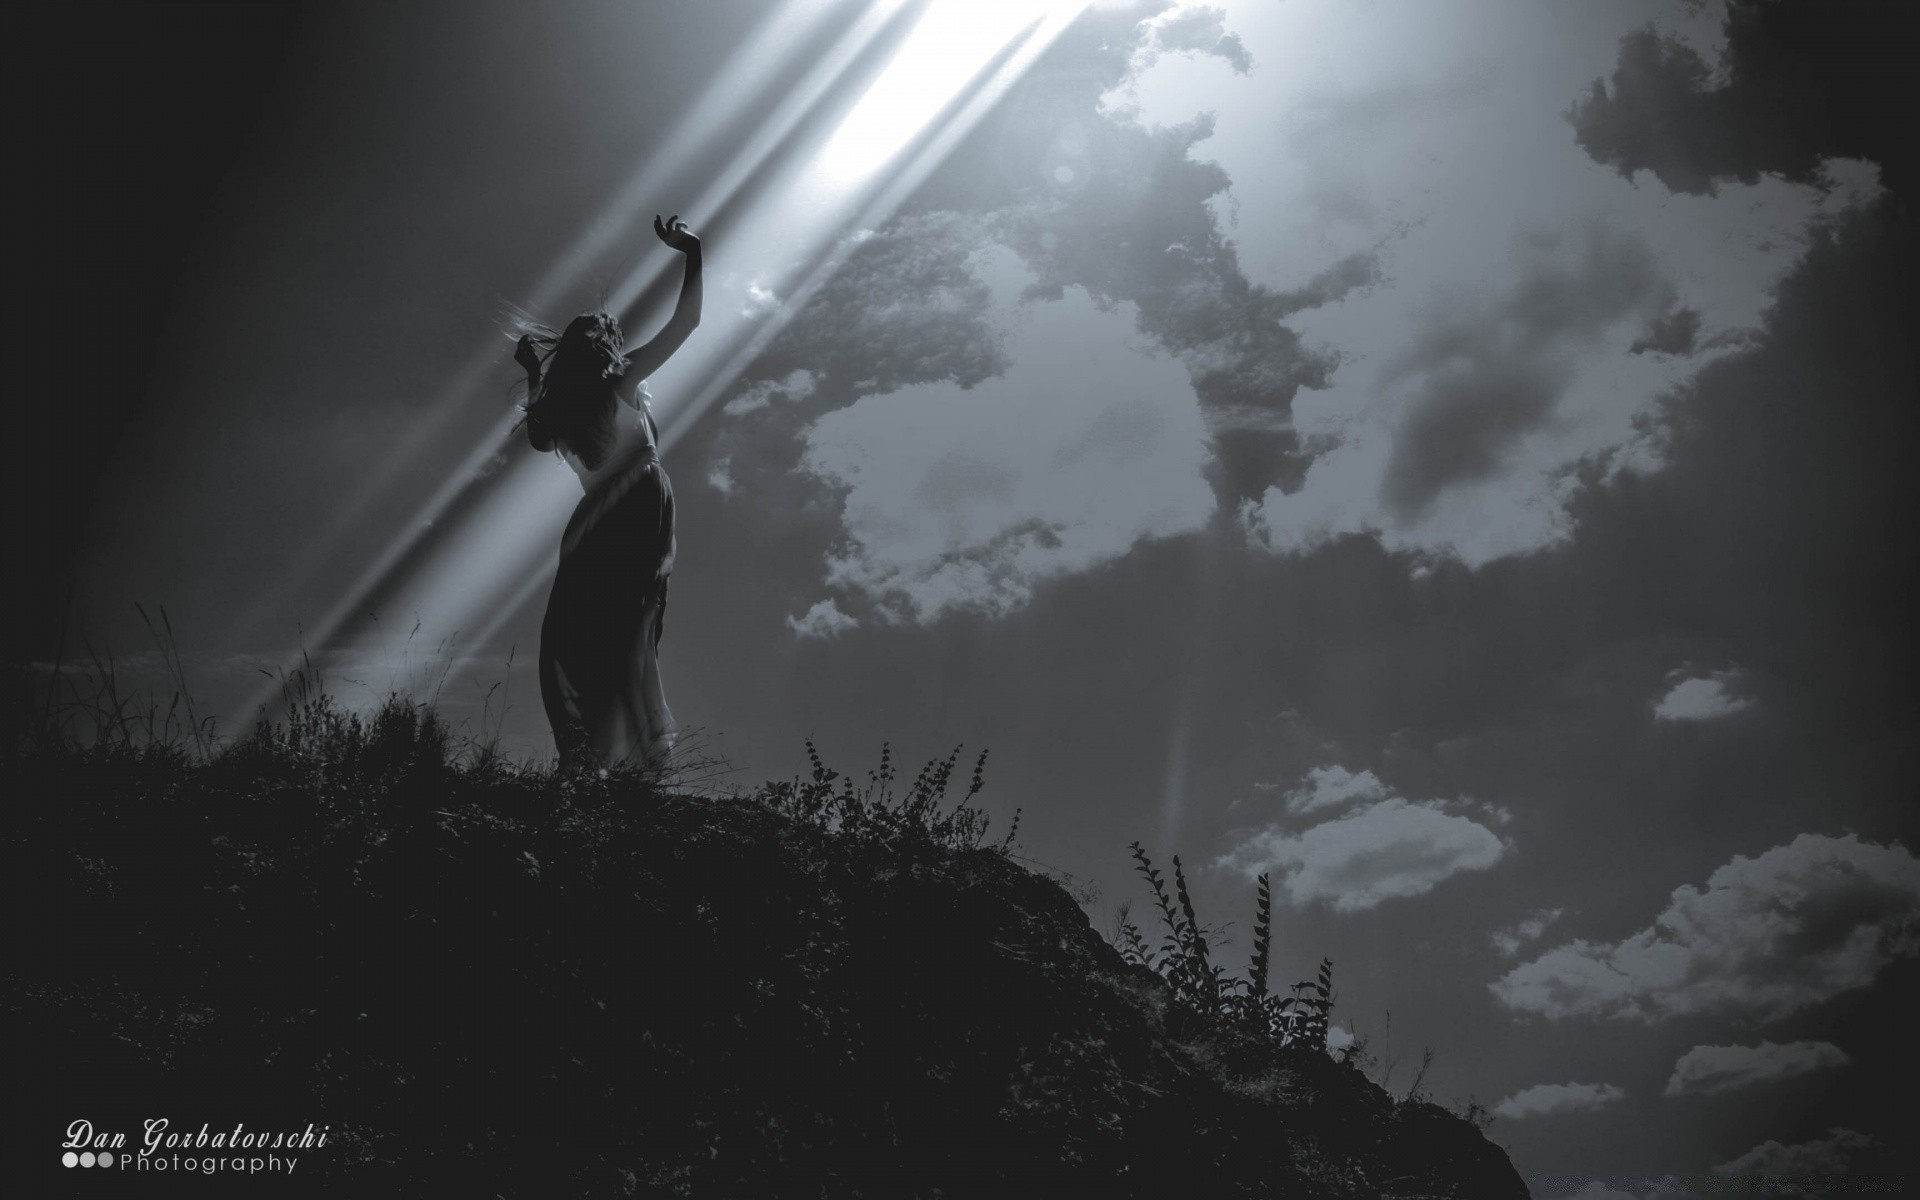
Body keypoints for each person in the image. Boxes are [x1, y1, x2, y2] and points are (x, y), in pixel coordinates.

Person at [514, 214, 702, 772]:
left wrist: (534, 378)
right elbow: (687, 323)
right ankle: (630, 761)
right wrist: (692, 251)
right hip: (639, 503)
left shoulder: (563, 411)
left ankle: (590, 754)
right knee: (625, 624)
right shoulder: (621, 383)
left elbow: (537, 439)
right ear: (608, 346)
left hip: (595, 516)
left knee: (576, 628)